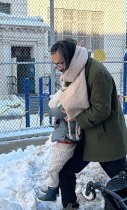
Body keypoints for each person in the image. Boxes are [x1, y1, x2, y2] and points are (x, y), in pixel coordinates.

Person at [47, 39, 127, 210]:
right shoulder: (74, 72)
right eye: (55, 64)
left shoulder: (96, 73)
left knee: (122, 181)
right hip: (86, 135)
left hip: (105, 137)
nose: (59, 68)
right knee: (66, 171)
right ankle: (69, 209)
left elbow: (102, 109)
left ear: (70, 57)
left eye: (61, 63)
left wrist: (75, 120)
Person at [38, 68, 89, 202]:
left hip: (67, 138)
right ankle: (52, 188)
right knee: (55, 167)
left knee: (54, 168)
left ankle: (52, 191)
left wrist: (62, 93)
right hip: (64, 135)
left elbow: (54, 109)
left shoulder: (74, 95)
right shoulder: (69, 92)